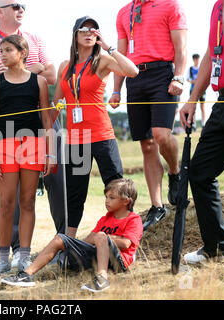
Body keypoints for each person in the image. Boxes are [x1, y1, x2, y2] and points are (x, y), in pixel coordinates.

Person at [0, 0, 66, 269]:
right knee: (6, 203)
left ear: (22, 52)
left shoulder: (39, 83)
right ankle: (4, 257)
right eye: (1, 50)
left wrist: (50, 151)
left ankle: (25, 256)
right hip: (4, 144)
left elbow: (45, 117)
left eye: (7, 50)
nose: (1, 55)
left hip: (34, 144)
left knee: (28, 201)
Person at [180, 0, 224, 282]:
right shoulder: (217, 6)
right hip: (223, 100)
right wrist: (192, 99)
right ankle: (219, 247)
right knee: (199, 172)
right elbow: (212, 53)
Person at [51, 16, 138, 238]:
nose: (89, 33)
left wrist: (109, 47)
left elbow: (132, 71)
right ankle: (68, 242)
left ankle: (125, 237)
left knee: (118, 189)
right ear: (75, 35)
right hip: (76, 140)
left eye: (94, 30)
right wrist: (48, 130)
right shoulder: (65, 66)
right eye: (84, 30)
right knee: (75, 193)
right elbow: (57, 102)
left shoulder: (103, 60)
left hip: (101, 135)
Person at [110, 0, 188, 231]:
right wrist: (116, 89)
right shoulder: (124, 11)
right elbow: (121, 53)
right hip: (134, 78)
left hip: (163, 74)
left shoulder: (171, 5)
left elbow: (181, 46)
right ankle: (157, 206)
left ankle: (174, 172)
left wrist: (179, 76)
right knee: (146, 143)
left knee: (161, 135)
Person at [1, 178, 143, 293]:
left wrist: (103, 237)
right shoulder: (105, 218)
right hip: (96, 256)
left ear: (126, 201)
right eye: (106, 197)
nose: (107, 201)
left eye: (112, 198)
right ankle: (27, 275)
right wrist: (95, 240)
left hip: (118, 262)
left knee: (100, 236)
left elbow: (125, 244)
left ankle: (102, 279)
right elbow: (88, 241)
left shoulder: (133, 219)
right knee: (59, 238)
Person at [186, 54, 207, 126]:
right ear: (193, 60)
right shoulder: (190, 69)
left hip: (202, 89)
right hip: (193, 90)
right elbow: (188, 79)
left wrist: (199, 81)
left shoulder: (202, 68)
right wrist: (194, 81)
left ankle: (203, 122)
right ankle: (194, 123)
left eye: (197, 58)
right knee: (193, 106)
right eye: (195, 59)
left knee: (202, 106)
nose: (196, 60)